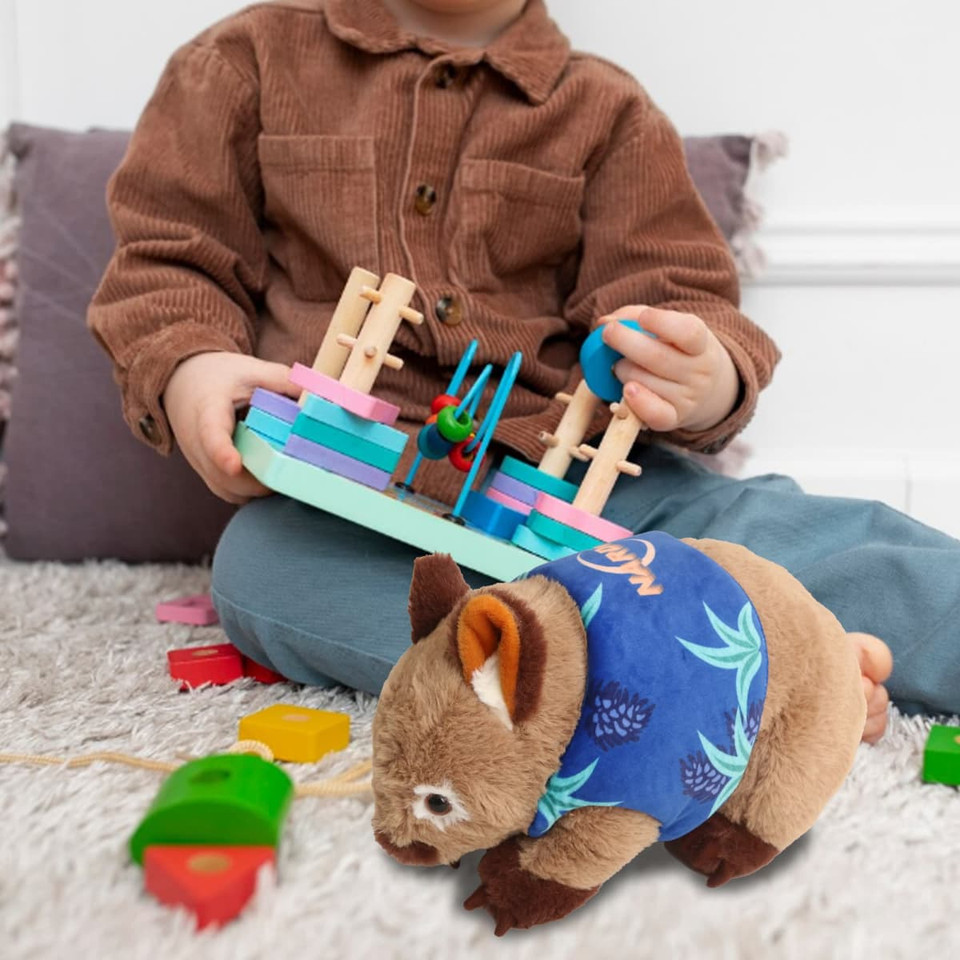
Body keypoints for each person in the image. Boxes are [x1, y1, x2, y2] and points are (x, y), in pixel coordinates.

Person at [91, 0, 948, 746]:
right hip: (351, 506)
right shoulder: (239, 65)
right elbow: (171, 262)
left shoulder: (607, 110)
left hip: (578, 492)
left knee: (796, 536)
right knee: (265, 577)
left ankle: (691, 638)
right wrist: (191, 368)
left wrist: (707, 374)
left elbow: (675, 293)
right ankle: (658, 688)